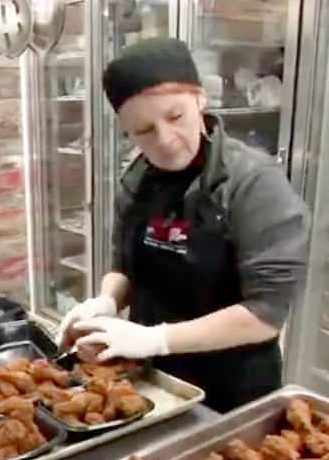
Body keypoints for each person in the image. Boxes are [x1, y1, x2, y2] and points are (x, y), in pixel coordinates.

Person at [57, 37, 309, 414]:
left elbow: (264, 315)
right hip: (155, 383)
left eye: (175, 117)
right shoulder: (137, 180)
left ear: (200, 99)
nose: (165, 140)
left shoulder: (253, 183)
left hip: (233, 390)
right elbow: (125, 267)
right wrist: (107, 301)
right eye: (143, 130)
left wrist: (157, 338)